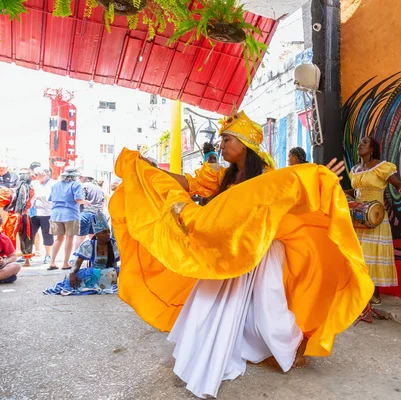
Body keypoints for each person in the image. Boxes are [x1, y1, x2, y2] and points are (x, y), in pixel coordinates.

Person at [110, 110, 373, 399]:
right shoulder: (221, 176)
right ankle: (208, 352)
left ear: (244, 143)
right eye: (222, 139)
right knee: (211, 301)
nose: (221, 145)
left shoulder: (267, 178)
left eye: (226, 139)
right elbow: (187, 184)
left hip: (262, 249)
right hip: (227, 251)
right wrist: (153, 171)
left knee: (268, 305)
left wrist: (320, 178)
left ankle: (295, 344)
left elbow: (294, 189)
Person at [348, 136, 401, 305]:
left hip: (375, 217)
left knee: (372, 253)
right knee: (360, 254)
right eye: (359, 142)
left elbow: (399, 184)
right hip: (358, 217)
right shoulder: (355, 169)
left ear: (372, 148)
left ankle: (375, 293)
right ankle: (360, 292)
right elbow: (355, 192)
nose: (360, 144)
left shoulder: (381, 167)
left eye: (365, 142)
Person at [43, 212, 120, 295]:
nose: (108, 235)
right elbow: (77, 264)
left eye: (108, 232)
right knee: (72, 277)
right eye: (104, 232)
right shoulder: (89, 245)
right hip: (95, 273)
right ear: (97, 234)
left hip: (111, 273)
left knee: (116, 273)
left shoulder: (114, 244)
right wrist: (72, 273)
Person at [48, 167, 90, 271]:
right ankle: (65, 263)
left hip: (56, 214)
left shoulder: (56, 185)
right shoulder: (76, 184)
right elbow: (78, 199)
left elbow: (50, 199)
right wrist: (86, 202)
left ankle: (52, 262)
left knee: (58, 238)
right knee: (69, 238)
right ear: (75, 176)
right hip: (70, 214)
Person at [2, 170, 35, 266]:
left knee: (10, 237)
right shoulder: (31, 190)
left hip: (13, 216)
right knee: (26, 238)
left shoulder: (12, 190)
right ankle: (27, 261)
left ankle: (10, 259)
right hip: (25, 215)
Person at [30, 168, 56, 264]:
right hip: (34, 212)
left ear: (47, 175)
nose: (39, 177)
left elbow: (50, 197)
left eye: (41, 175)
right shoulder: (34, 183)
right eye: (37, 175)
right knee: (30, 233)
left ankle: (48, 255)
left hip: (47, 213)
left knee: (47, 234)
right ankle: (28, 255)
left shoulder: (53, 183)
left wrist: (39, 196)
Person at [75, 172, 106, 250]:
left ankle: (75, 257)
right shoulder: (99, 188)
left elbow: (81, 200)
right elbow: (102, 203)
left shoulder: (84, 186)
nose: (79, 179)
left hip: (86, 213)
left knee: (80, 237)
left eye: (80, 177)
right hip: (98, 214)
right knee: (93, 237)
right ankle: (95, 257)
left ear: (84, 178)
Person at [0, 219, 21, 284]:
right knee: (12, 277)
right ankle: (4, 278)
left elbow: (13, 256)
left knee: (16, 266)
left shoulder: (3, 238)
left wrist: (4, 262)